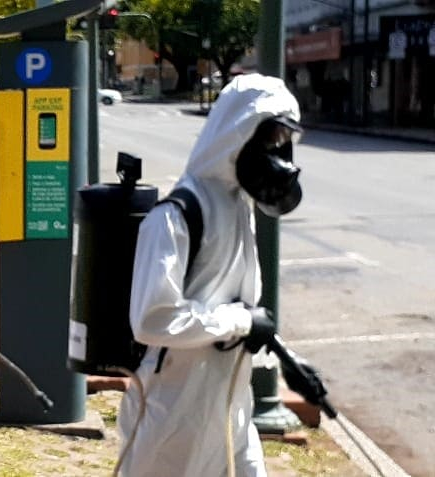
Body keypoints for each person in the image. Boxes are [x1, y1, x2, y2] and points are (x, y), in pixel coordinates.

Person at [117, 73, 303, 477]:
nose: (276, 154)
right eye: (267, 139)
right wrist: (239, 322)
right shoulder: (175, 216)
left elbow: (238, 305)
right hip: (171, 419)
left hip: (230, 409)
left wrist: (284, 355)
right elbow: (153, 319)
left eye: (280, 142)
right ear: (237, 132)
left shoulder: (240, 209)